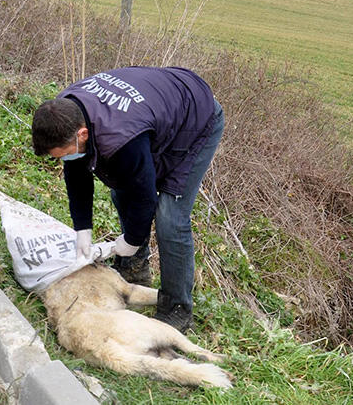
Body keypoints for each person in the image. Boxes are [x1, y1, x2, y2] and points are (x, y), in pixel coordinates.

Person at [31, 67, 224, 333]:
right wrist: (82, 229)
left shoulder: (120, 138)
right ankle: (135, 267)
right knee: (121, 185)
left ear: (82, 135)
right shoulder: (65, 112)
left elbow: (144, 197)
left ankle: (177, 308)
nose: (60, 161)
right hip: (155, 110)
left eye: (60, 154)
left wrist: (130, 241)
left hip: (195, 118)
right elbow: (76, 174)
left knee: (170, 216)